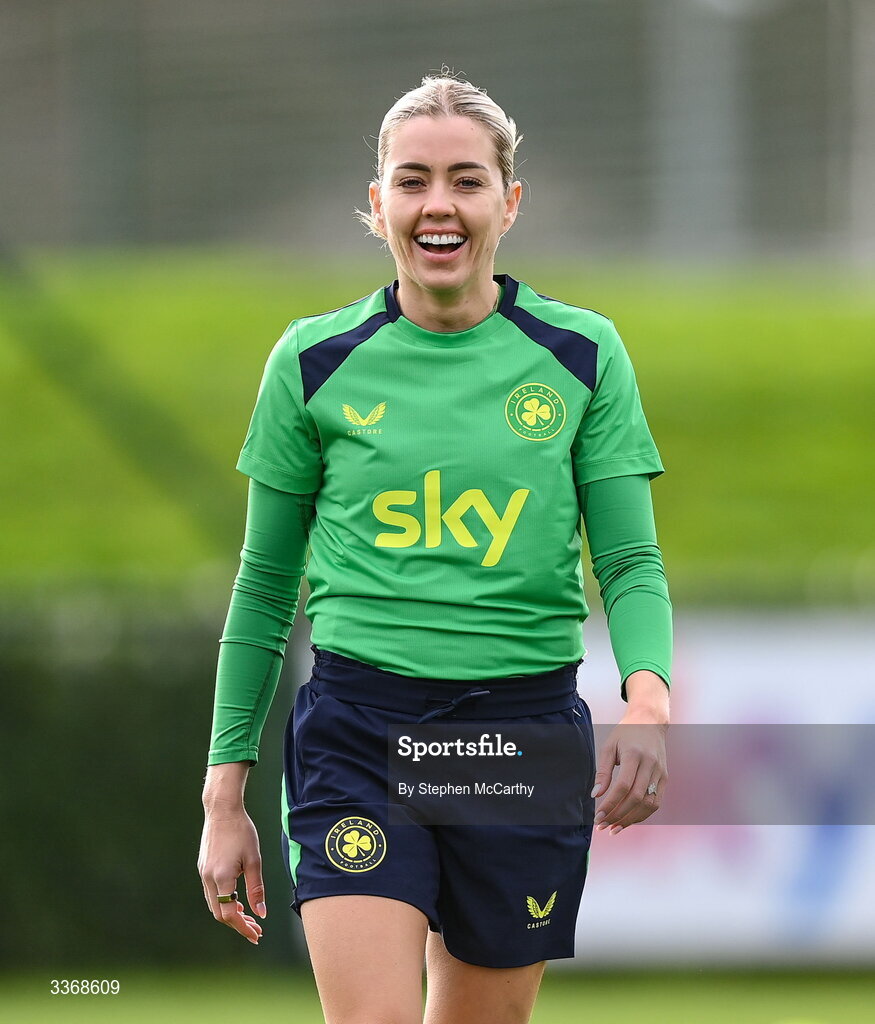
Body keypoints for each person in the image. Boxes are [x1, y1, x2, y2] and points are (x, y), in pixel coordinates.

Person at [198, 73, 671, 1024]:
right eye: (412, 181)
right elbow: (265, 586)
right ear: (378, 205)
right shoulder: (311, 362)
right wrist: (223, 791)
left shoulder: (582, 354)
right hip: (359, 732)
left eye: (465, 180)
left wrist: (648, 702)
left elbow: (627, 562)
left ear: (509, 201)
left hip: (519, 733)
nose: (438, 204)